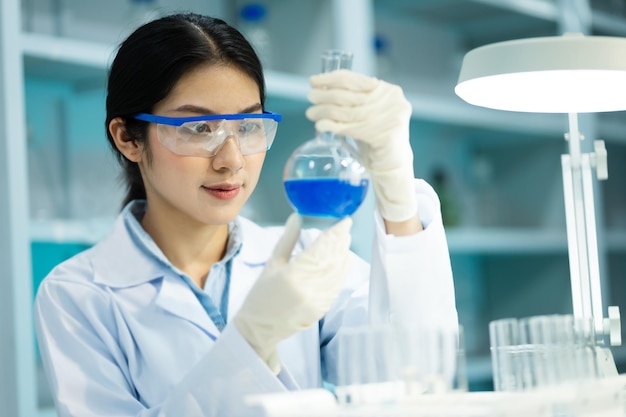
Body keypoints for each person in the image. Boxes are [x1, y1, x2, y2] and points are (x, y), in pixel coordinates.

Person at [34, 12, 458, 417]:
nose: (231, 160)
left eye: (248, 126)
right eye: (199, 128)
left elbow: (414, 375)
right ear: (128, 137)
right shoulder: (77, 296)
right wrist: (252, 340)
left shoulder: (303, 260)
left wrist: (397, 186)